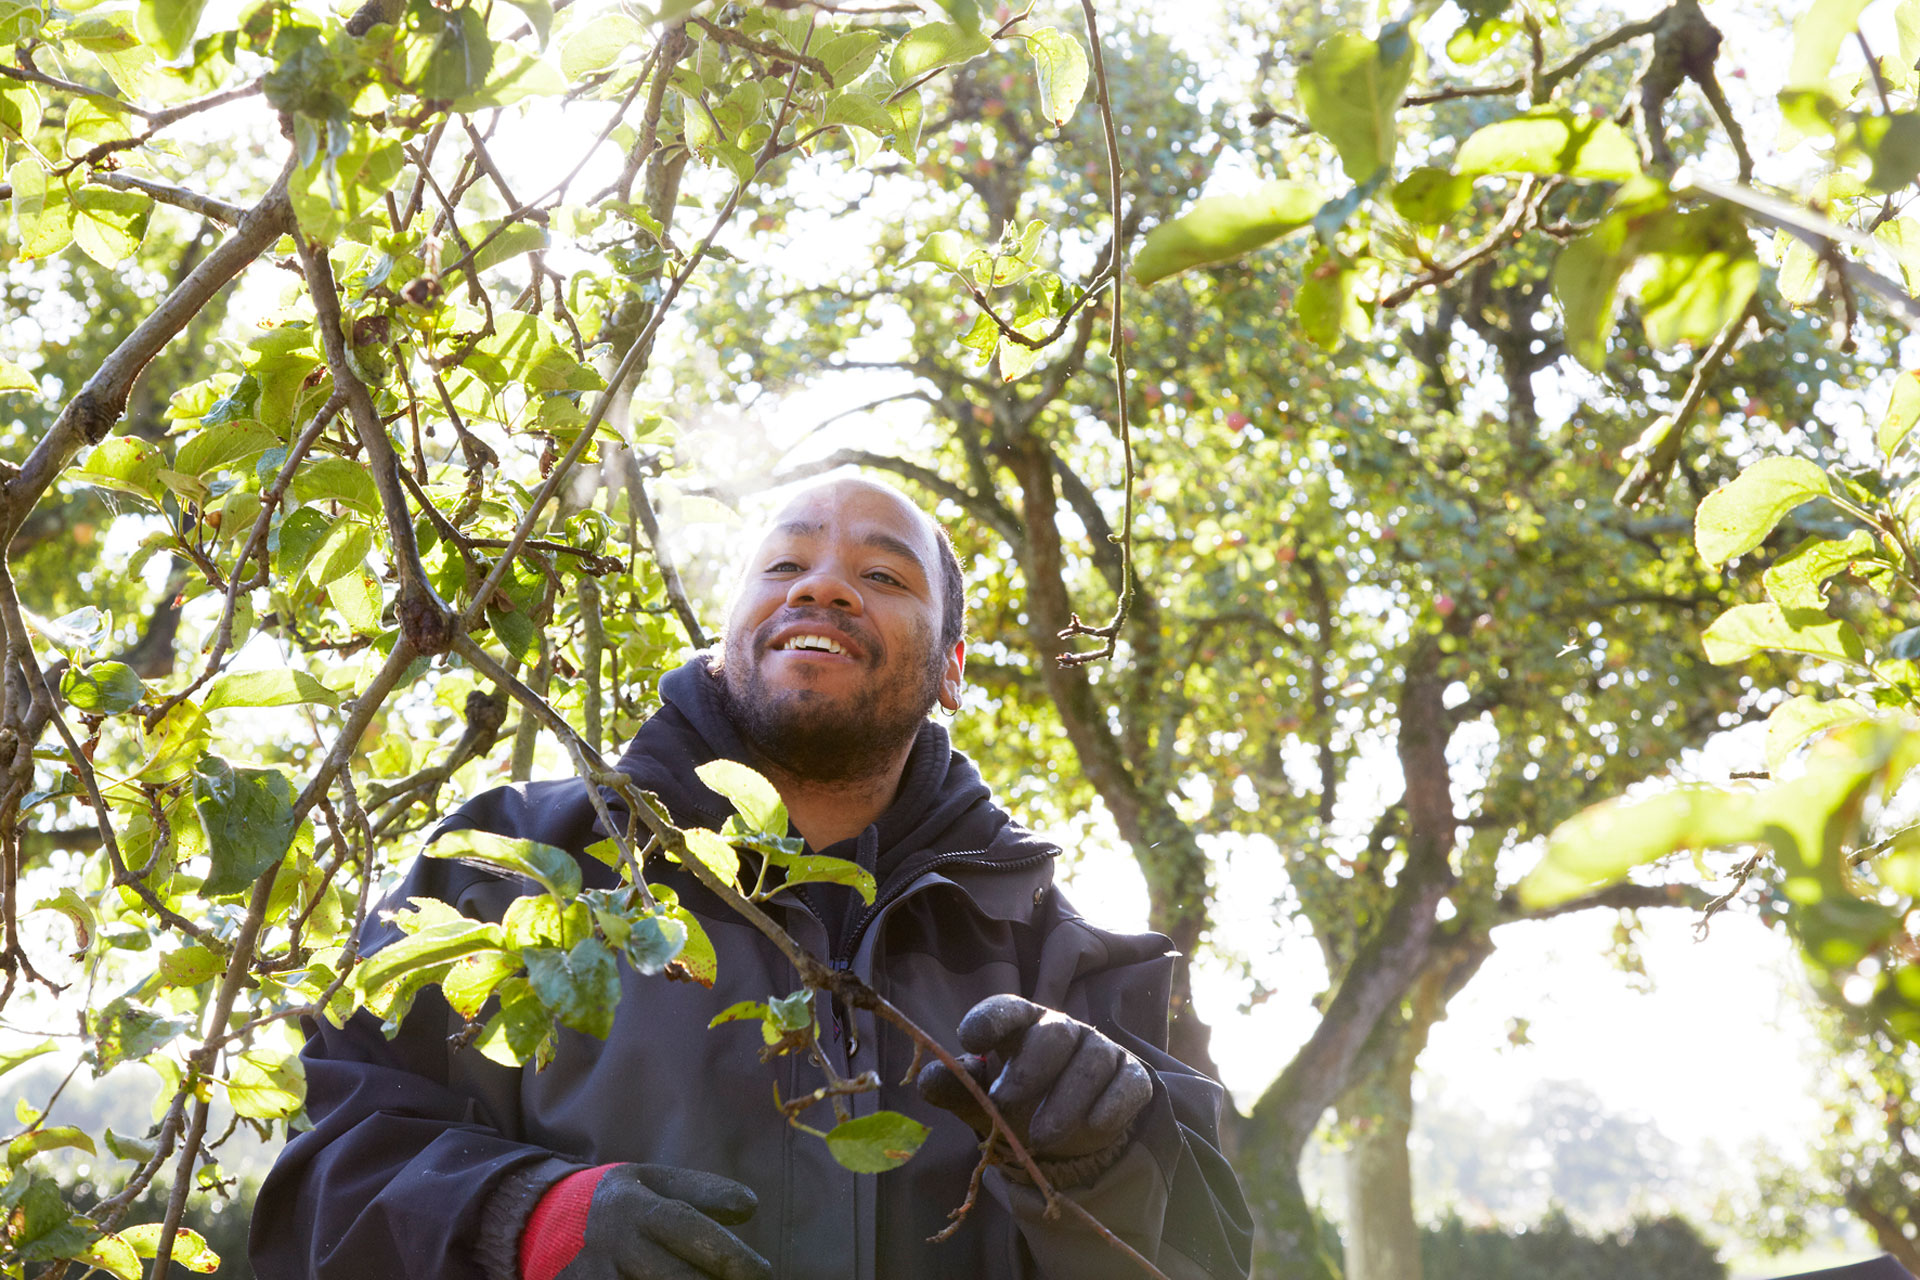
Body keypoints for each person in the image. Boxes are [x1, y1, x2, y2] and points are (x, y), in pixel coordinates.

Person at [251, 477, 1253, 1280]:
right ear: (724, 634)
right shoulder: (500, 872)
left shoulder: (1083, 972)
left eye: (885, 574)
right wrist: (521, 1217)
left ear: (952, 668)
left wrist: (1103, 1166)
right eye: (785, 560)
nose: (823, 586)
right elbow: (322, 1179)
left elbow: (1205, 1257)